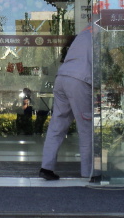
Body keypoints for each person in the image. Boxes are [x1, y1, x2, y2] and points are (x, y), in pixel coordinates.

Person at [39, 25, 99, 181]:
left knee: (57, 124)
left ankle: (46, 167)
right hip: (79, 80)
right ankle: (89, 172)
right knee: (86, 126)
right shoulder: (103, 31)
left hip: (62, 77)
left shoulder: (84, 33)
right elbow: (115, 55)